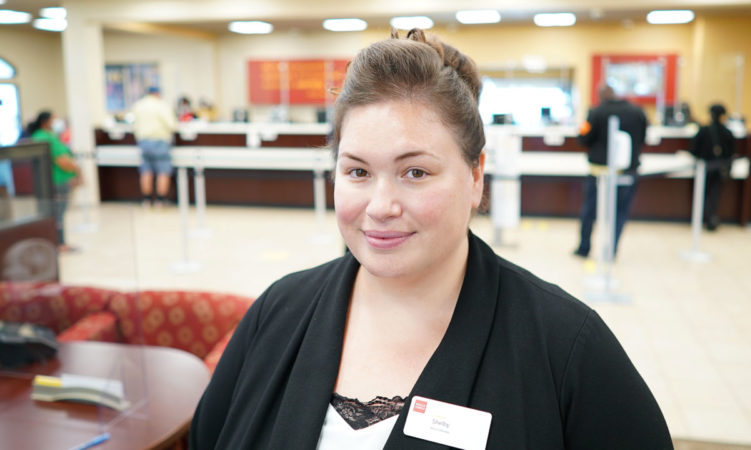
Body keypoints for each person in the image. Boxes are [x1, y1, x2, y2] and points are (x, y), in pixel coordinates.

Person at [190, 30, 671, 449]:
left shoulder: (564, 348)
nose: (380, 205)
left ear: (476, 175)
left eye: (415, 172)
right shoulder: (279, 312)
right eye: (357, 171)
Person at [574, 83, 648, 258]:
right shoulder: (637, 112)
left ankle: (584, 248)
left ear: (601, 96)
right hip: (628, 170)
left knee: (589, 210)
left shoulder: (595, 112)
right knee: (620, 212)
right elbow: (644, 137)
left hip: (599, 170)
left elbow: (583, 137)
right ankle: (611, 250)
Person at [26, 110, 82, 252]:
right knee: (57, 215)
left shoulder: (38, 136)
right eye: (54, 119)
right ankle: (60, 243)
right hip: (58, 181)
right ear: (45, 122)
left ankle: (55, 243)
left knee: (53, 214)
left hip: (46, 182)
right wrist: (77, 170)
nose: (57, 123)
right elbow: (62, 160)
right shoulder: (47, 138)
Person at [689, 103, 736, 231]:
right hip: (720, 169)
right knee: (714, 194)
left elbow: (693, 150)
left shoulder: (703, 130)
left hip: (704, 168)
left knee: (701, 193)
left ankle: (701, 218)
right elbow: (731, 153)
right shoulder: (728, 133)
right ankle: (711, 218)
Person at [131, 86, 176, 207]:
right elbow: (171, 125)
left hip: (143, 142)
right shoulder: (162, 105)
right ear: (157, 94)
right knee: (163, 171)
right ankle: (160, 201)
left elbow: (134, 124)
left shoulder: (138, 105)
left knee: (146, 171)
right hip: (160, 141)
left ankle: (146, 201)